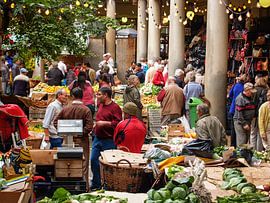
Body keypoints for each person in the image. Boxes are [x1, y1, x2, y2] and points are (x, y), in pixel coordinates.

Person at [55, 87, 93, 191]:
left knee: (69, 162)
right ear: (82, 96)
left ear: (72, 96)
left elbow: (55, 122)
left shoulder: (66, 108)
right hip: (82, 140)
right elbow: (89, 126)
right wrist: (80, 133)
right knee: (83, 164)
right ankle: (84, 188)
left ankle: (68, 187)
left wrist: (63, 132)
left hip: (67, 140)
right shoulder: (86, 110)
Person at [91, 87, 122, 190]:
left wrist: (105, 123)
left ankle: (108, 185)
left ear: (106, 95)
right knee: (93, 160)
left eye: (99, 94)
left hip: (109, 140)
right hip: (97, 138)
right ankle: (96, 184)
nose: (97, 96)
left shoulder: (115, 107)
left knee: (108, 164)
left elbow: (118, 123)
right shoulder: (100, 105)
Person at [228, 74, 246, 147]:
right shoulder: (243, 88)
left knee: (233, 128)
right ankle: (238, 146)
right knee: (239, 129)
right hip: (240, 109)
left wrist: (233, 101)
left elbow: (230, 94)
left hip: (232, 108)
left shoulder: (236, 85)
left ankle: (233, 145)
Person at [250, 76, 268, 151]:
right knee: (260, 133)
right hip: (262, 113)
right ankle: (259, 151)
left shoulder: (254, 90)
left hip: (253, 114)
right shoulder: (266, 90)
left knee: (253, 133)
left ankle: (253, 151)